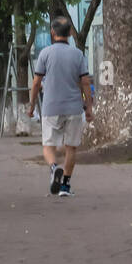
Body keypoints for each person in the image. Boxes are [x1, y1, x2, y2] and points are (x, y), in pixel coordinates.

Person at [28, 16, 93, 196]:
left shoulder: (45, 54)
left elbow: (36, 83)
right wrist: (89, 108)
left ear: (52, 32)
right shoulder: (78, 54)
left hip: (51, 107)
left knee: (49, 145)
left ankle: (53, 167)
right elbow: (85, 83)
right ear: (71, 34)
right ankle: (65, 185)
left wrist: (32, 105)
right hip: (73, 108)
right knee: (71, 147)